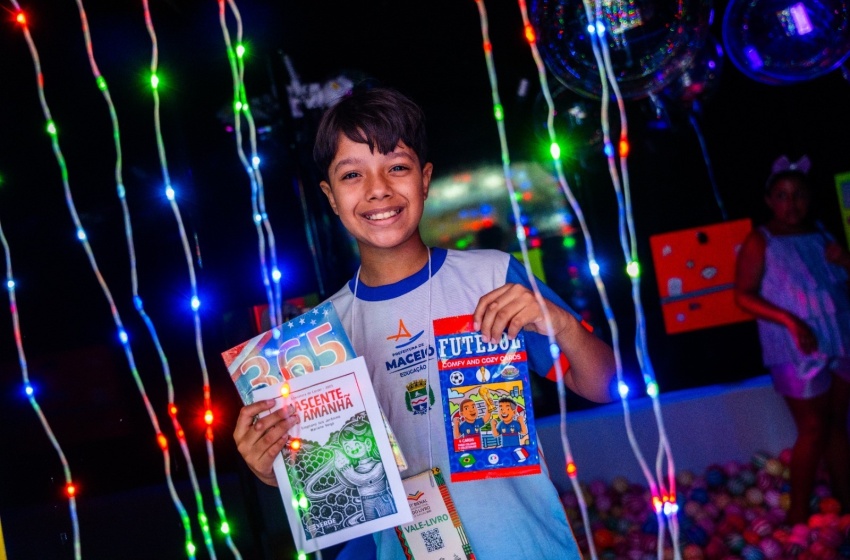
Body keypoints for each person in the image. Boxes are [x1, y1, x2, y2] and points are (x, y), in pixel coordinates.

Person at [233, 85, 617, 559]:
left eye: (397, 167)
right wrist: (276, 469)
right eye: (352, 174)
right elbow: (341, 507)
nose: (378, 190)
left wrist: (562, 324)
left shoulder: (492, 276)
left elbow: (609, 385)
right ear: (330, 197)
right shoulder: (317, 341)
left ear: (425, 178)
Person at [735, 154, 850, 525]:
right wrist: (789, 319)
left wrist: (846, 261)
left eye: (798, 195)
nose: (791, 203)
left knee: (834, 422)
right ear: (769, 200)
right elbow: (743, 294)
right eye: (782, 195)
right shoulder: (760, 240)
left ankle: (845, 503)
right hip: (794, 345)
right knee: (813, 428)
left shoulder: (822, 234)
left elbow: (836, 287)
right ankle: (798, 514)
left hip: (839, 337)